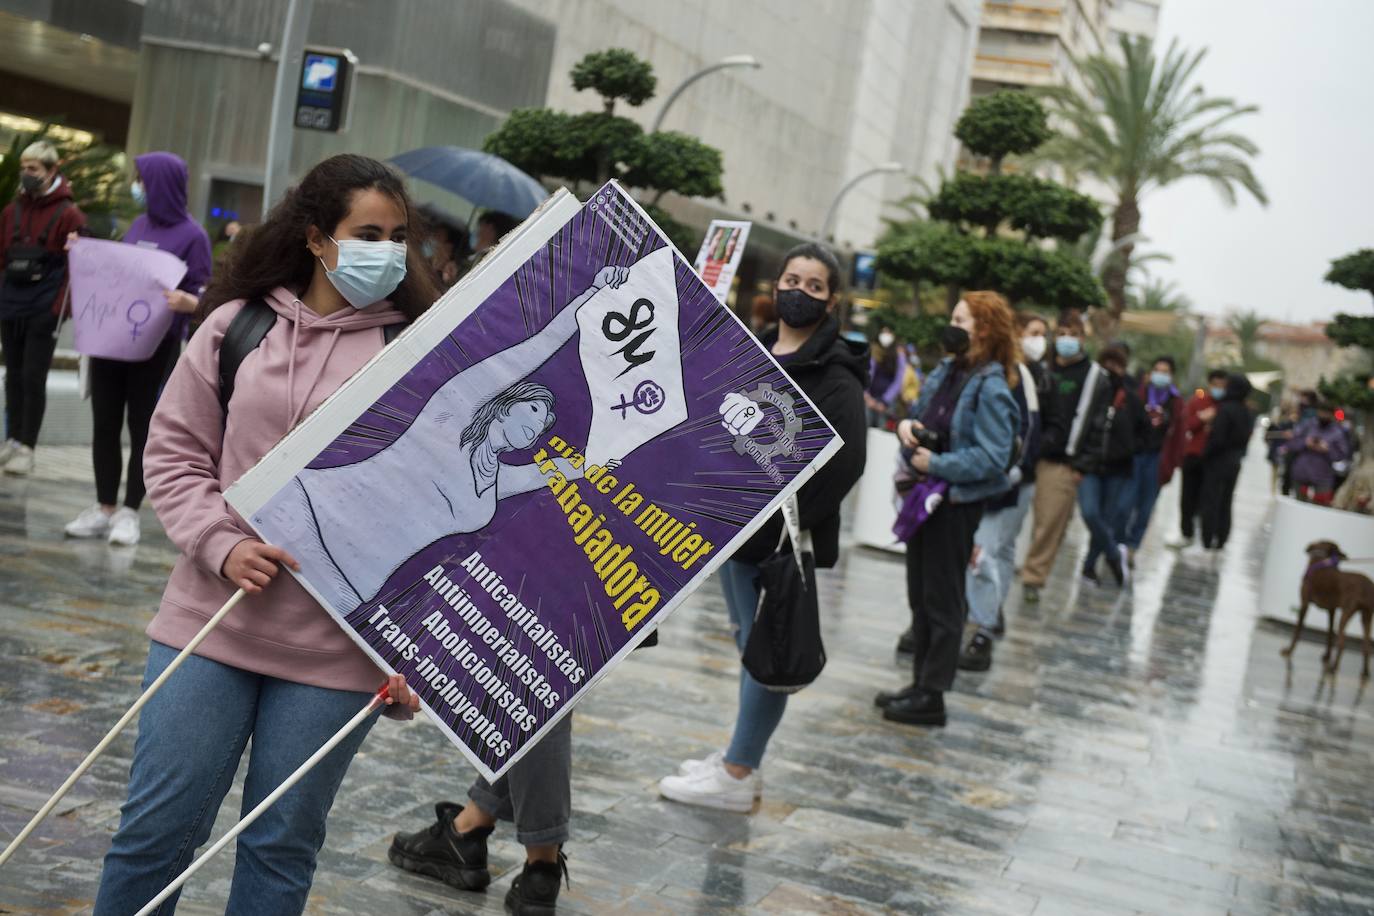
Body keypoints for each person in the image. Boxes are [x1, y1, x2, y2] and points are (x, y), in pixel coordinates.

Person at [92, 154, 435, 916]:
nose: (386, 249)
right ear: (317, 238)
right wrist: (222, 542)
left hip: (338, 659)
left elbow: (434, 521)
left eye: (398, 235)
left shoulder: (421, 356)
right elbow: (175, 456)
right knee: (155, 834)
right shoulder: (234, 327)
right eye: (366, 232)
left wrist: (420, 652)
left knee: (280, 848)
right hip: (207, 627)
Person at [653, 242, 866, 809]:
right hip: (731, 523)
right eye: (792, 280)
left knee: (766, 650)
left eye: (814, 286)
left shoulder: (836, 375)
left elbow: (845, 463)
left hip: (771, 539)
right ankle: (736, 757)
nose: (799, 292)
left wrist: (783, 522)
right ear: (776, 286)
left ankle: (738, 774)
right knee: (748, 639)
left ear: (831, 300)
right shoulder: (756, 349)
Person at [876, 290, 1018, 726]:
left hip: (953, 502)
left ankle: (932, 694)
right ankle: (919, 682)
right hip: (926, 497)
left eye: (961, 318)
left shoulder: (991, 386)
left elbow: (995, 456)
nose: (951, 324)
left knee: (943, 597)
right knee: (921, 592)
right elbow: (920, 412)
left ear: (984, 329)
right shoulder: (947, 370)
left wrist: (937, 462)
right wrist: (909, 428)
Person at [64, 153, 212, 546]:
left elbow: (206, 293)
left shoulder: (193, 236)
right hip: (110, 344)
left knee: (143, 428)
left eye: (143, 181)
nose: (139, 188)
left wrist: (188, 303)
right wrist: (83, 252)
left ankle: (130, 510)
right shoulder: (138, 225)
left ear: (161, 184)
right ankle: (103, 507)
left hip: (155, 348)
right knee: (105, 423)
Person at [959, 311, 1046, 672]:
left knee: (988, 552)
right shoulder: (977, 369)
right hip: (992, 479)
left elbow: (1028, 430)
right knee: (998, 551)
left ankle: (984, 627)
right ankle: (990, 613)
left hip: (1008, 481)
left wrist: (1012, 473)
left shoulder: (1015, 374)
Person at [0, 140, 87, 476]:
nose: (26, 174)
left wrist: (57, 308)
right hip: (12, 303)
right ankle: (12, 438)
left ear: (52, 171)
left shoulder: (70, 214)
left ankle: (27, 446)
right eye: (23, 168)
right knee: (14, 376)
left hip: (44, 307)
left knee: (34, 376)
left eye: (33, 169)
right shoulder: (11, 211)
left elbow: (76, 266)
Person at [1019, 311, 1092, 603]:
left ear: (1083, 338)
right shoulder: (1040, 369)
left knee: (1049, 522)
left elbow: (1096, 424)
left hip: (1060, 460)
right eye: (1060, 333)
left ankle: (1033, 579)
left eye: (1072, 334)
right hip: (1025, 455)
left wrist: (1082, 464)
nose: (1065, 340)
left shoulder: (1092, 375)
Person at [1067, 344, 1143, 587]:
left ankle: (1089, 567)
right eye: (1107, 363)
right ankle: (1112, 553)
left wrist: (1128, 448)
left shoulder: (1130, 397)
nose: (1111, 369)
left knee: (1107, 518)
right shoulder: (1091, 391)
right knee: (1090, 513)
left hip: (1118, 469)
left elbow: (1145, 431)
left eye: (1117, 364)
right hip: (1089, 465)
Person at [1117, 355, 1182, 561]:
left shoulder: (1176, 402)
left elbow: (1179, 435)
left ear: (1171, 375)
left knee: (1145, 508)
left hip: (1157, 459)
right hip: (1135, 456)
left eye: (1165, 372)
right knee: (1124, 504)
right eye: (1157, 370)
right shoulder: (1140, 394)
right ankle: (1118, 542)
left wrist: (1171, 466)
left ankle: (1132, 547)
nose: (1160, 375)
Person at [1165, 369, 1228, 548]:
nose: (1218, 388)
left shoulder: (1226, 407)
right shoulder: (1198, 401)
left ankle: (1204, 537)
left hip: (1213, 460)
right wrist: (1202, 418)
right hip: (1192, 456)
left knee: (1207, 500)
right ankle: (1186, 533)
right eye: (1215, 385)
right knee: (1187, 497)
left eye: (1222, 385)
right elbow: (1187, 425)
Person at [1198, 372, 1254, 552]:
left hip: (1218, 461)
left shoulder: (1226, 409)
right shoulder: (1246, 411)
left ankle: (1207, 540)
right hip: (1234, 461)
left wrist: (1206, 454)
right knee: (1226, 501)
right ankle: (1221, 538)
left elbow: (1218, 439)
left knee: (1211, 501)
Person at [1282, 399, 1349, 505]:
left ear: (1332, 415)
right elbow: (1292, 443)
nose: (1323, 415)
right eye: (1321, 412)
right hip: (1301, 472)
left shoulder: (1338, 432)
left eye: (1327, 413)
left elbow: (1342, 455)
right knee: (1298, 506)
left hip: (1323, 476)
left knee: (1318, 509)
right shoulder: (1308, 425)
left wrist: (1327, 449)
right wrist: (1305, 443)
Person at [865, 324, 908, 428]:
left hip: (887, 403)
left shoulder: (899, 354)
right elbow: (866, 374)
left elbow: (898, 380)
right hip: (869, 399)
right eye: (883, 332)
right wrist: (867, 397)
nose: (885, 335)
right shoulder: (873, 351)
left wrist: (885, 401)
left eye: (888, 332)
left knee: (882, 431)